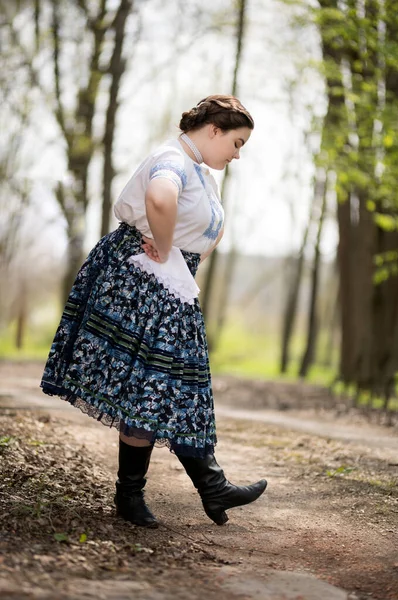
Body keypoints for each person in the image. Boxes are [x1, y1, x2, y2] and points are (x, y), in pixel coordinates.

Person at [41, 94, 267, 529]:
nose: (237, 155)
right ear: (214, 131)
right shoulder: (173, 161)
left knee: (164, 384)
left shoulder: (196, 168)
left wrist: (178, 252)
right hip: (147, 279)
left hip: (166, 279)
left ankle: (176, 490)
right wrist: (164, 251)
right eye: (236, 143)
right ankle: (198, 488)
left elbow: (201, 230)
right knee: (166, 382)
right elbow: (160, 200)